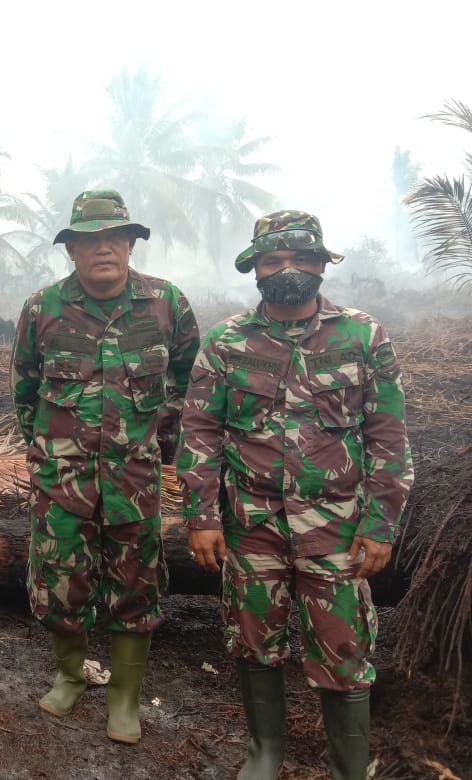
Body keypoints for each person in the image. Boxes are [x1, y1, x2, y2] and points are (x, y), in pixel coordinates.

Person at [176, 211, 413, 779]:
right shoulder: (227, 342)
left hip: (337, 526)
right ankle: (265, 754)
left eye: (303, 258)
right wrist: (202, 514)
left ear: (322, 264)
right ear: (255, 268)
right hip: (250, 523)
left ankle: (349, 768)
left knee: (344, 647)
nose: (289, 270)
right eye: (274, 259)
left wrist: (381, 523)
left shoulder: (362, 335)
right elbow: (199, 432)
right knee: (252, 640)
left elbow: (389, 435)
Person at [11, 190, 200, 743]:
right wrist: (49, 451)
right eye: (89, 240)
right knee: (59, 586)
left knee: (136, 588)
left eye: (115, 237)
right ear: (70, 249)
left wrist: (161, 444)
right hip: (59, 482)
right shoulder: (42, 308)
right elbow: (25, 390)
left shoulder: (166, 303)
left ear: (131, 242)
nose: (103, 249)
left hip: (134, 483)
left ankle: (124, 698)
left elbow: (190, 384)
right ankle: (70, 676)